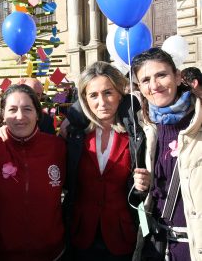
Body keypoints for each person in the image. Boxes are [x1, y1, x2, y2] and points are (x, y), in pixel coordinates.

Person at [0, 84, 66, 261]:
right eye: (12, 110)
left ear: (38, 114)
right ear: (2, 114)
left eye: (27, 109)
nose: (20, 117)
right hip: (0, 254)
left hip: (52, 254)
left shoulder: (57, 147)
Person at [64, 61, 149, 261]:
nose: (102, 102)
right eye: (93, 95)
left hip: (121, 236)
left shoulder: (137, 134)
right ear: (85, 99)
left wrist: (144, 184)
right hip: (81, 235)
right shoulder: (73, 135)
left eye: (108, 92)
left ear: (120, 94)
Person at [131, 48, 202, 261]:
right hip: (159, 247)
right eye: (145, 80)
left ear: (178, 76)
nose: (154, 86)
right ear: (140, 87)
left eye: (161, 75)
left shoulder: (198, 122)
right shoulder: (143, 128)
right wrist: (144, 187)